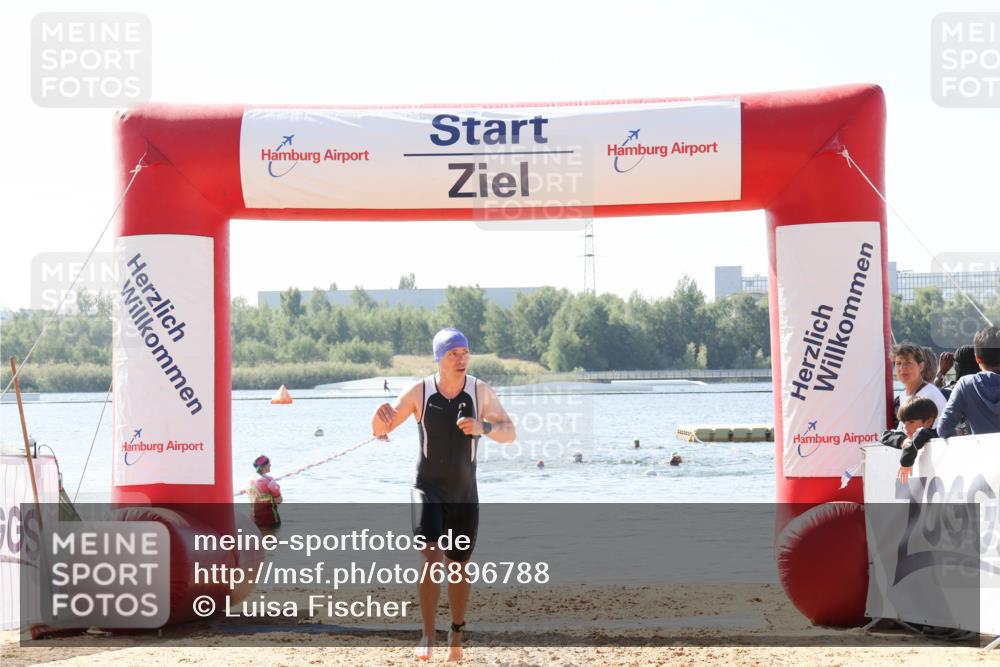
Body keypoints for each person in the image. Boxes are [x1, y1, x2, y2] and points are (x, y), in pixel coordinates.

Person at [370, 327, 516, 662]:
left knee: (459, 567)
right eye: (454, 353)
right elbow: (382, 429)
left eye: (465, 352)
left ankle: (457, 631)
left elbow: (510, 432)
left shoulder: (479, 391)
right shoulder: (419, 392)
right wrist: (377, 419)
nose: (462, 358)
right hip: (427, 489)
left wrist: (485, 428)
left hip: (463, 494)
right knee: (430, 558)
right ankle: (426, 634)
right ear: (439, 358)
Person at [938, 326, 1000, 438]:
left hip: (984, 454)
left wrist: (961, 433)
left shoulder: (965, 385)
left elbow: (943, 429)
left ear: (977, 359)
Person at [879, 396, 939, 483]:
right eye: (904, 423)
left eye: (911, 422)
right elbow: (884, 435)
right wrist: (902, 441)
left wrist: (906, 462)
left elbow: (922, 434)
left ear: (929, 421)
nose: (906, 428)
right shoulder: (907, 434)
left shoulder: (934, 434)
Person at [891, 343, 947, 430]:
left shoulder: (930, 395)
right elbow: (901, 431)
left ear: (921, 366)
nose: (902, 368)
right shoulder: (903, 395)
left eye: (908, 363)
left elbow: (942, 432)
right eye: (898, 363)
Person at [247, 455, 282, 529]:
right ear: (264, 466)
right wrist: (278, 488)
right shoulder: (270, 480)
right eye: (269, 463)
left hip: (254, 520)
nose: (270, 465)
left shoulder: (250, 480)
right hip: (269, 519)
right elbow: (279, 500)